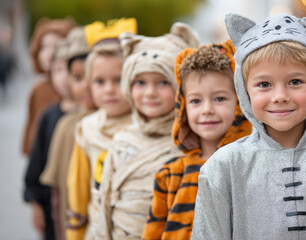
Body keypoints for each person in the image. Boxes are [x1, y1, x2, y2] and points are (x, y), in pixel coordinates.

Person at [191, 12, 306, 239]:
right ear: (244, 89)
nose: (280, 96)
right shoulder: (222, 169)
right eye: (264, 84)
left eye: (295, 82)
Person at [143, 40, 252, 240]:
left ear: (239, 103)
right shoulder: (170, 174)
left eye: (219, 98)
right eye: (195, 101)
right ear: (183, 107)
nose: (207, 109)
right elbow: (153, 232)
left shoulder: (249, 169)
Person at [99, 22, 199, 240]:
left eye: (163, 82)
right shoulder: (121, 140)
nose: (150, 93)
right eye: (141, 83)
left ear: (180, 87)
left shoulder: (191, 143)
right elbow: (104, 202)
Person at [65, 18, 137, 240]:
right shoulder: (86, 130)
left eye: (118, 80)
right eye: (99, 82)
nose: (109, 90)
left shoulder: (147, 128)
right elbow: (77, 192)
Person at [39, 26, 95, 240]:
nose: (87, 85)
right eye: (78, 77)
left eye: (94, 76)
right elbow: (56, 193)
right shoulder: (65, 126)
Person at [24, 39, 77, 240]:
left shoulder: (91, 117)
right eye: (58, 71)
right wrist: (35, 203)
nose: (64, 78)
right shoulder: (48, 116)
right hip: (50, 201)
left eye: (71, 72)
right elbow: (36, 163)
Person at [22, 17, 76, 156]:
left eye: (56, 45)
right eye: (43, 47)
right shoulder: (38, 90)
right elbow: (31, 129)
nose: (50, 53)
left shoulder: (77, 87)